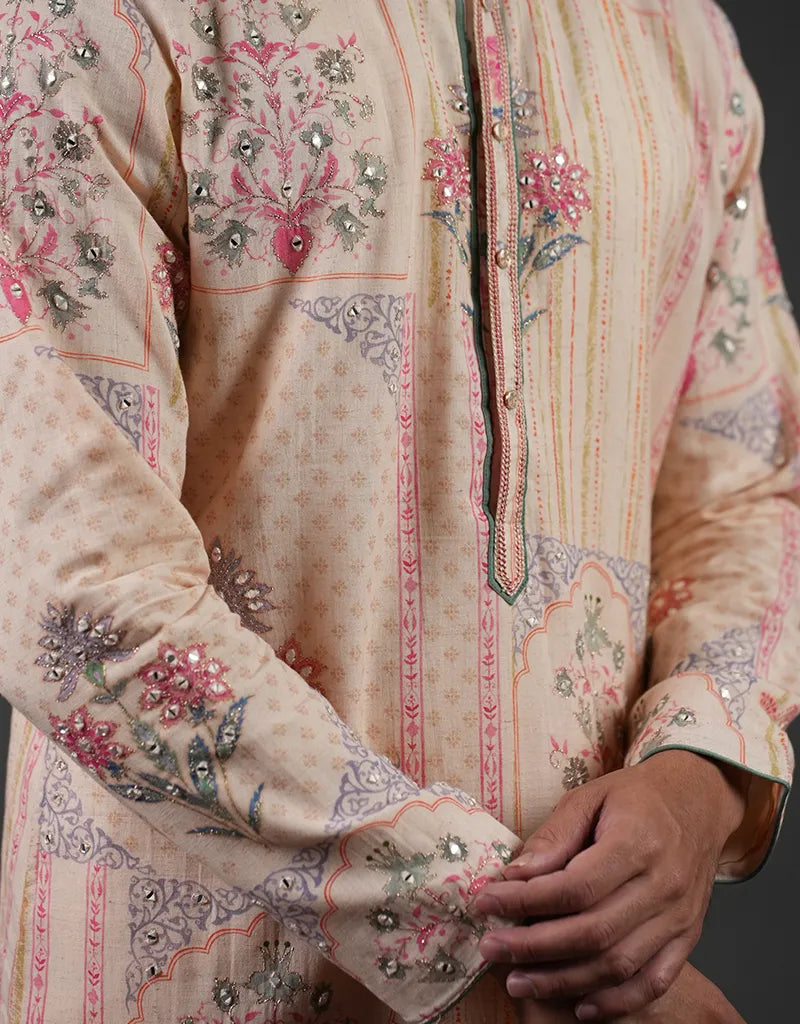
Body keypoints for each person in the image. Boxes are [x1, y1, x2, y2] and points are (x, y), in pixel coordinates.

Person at [0, 0, 796, 1021]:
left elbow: (745, 480)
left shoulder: (674, 32)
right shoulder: (100, 17)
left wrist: (696, 776)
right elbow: (71, 584)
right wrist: (490, 935)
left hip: (596, 982)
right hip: (207, 977)